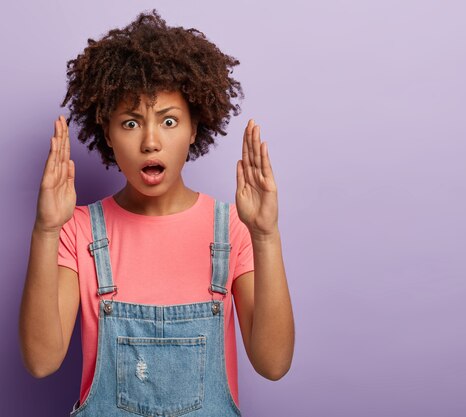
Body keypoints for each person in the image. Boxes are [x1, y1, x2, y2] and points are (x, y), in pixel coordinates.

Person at [19, 9, 294, 416]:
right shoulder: (76, 230)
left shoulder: (233, 229)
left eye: (169, 121)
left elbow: (273, 364)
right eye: (130, 124)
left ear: (194, 128)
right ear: (107, 134)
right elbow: (42, 362)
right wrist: (45, 231)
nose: (150, 142)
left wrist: (266, 236)